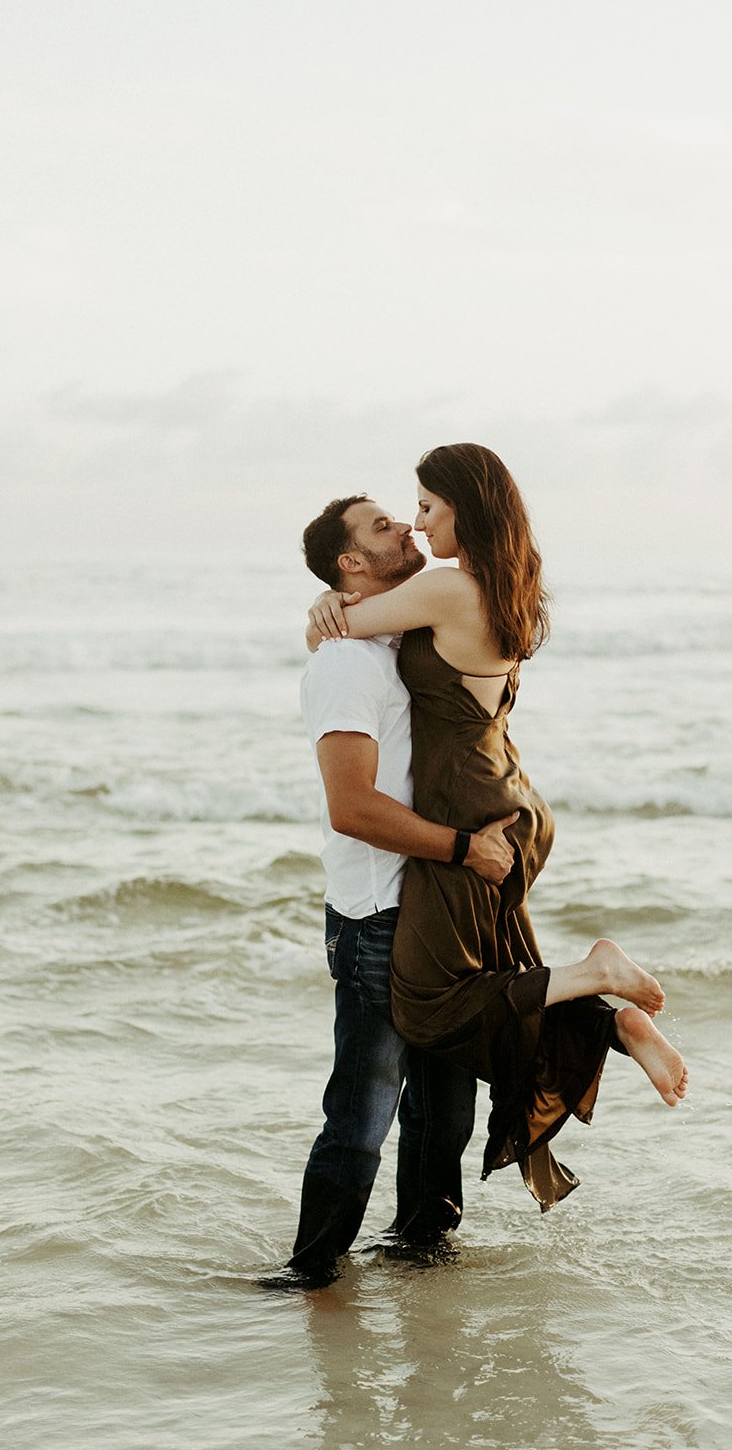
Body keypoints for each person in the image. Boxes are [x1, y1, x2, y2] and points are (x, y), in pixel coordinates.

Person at [306, 444, 688, 1211]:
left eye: (424, 508)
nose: (416, 526)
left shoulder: (449, 588)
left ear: (462, 508)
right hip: (502, 798)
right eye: (404, 515)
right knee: (479, 987)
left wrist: (321, 607)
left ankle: (599, 987)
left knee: (431, 1004)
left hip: (474, 812)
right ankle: (606, 1027)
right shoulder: (511, 585)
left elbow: (337, 625)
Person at [278, 492, 522, 1288]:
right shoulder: (346, 663)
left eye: (409, 513)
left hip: (434, 905)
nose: (409, 527)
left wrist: (333, 603)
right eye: (384, 526)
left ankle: (421, 1254)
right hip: (379, 911)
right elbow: (351, 808)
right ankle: (312, 1272)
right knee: (363, 1108)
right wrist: (463, 849)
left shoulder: (400, 635)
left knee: (445, 1105)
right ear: (351, 562)